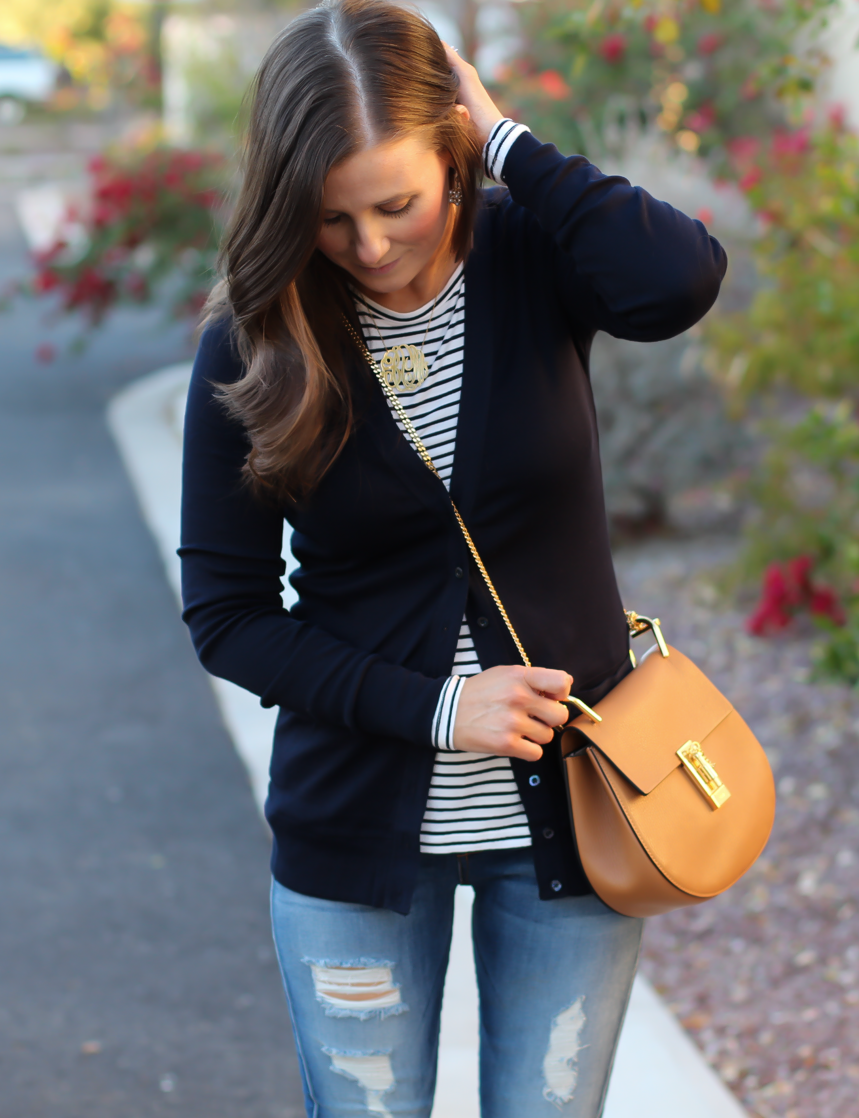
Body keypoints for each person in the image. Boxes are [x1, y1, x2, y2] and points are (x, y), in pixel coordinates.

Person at [179, 1, 725, 1113]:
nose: (372, 246)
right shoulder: (254, 339)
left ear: (453, 154)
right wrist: (441, 708)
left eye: (399, 203)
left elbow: (678, 279)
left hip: (577, 814)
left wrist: (511, 141)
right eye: (332, 220)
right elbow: (226, 614)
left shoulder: (533, 255)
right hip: (353, 833)